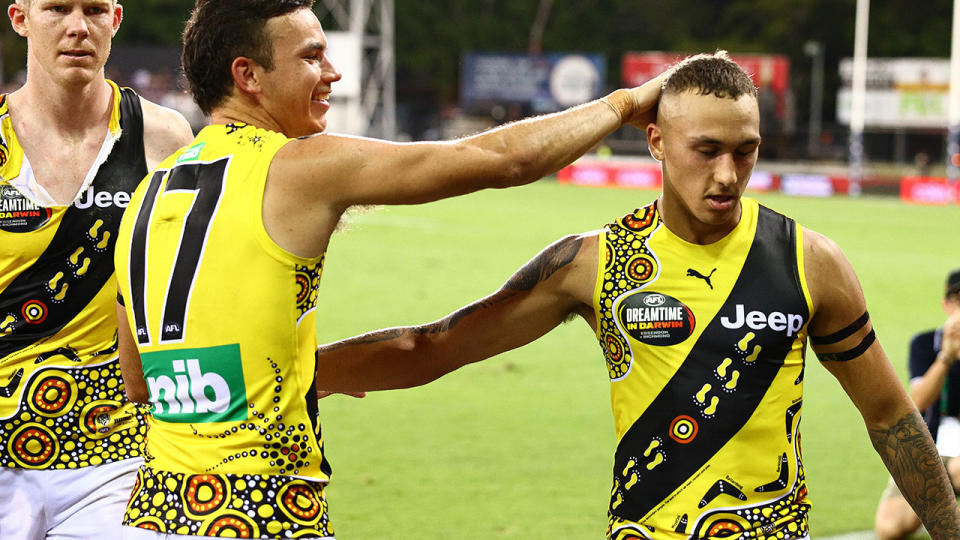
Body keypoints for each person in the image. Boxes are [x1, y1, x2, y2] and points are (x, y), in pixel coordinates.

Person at [314, 52, 960, 540]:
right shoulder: (591, 263)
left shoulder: (810, 262)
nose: (728, 174)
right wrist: (301, 374)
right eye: (705, 150)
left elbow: (891, 418)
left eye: (745, 151)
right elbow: (435, 346)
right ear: (656, 141)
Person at [111, 0, 664, 537]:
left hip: (155, 507)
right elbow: (503, 161)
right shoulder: (296, 165)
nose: (333, 72)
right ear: (248, 75)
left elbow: (138, 381)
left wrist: (289, 372)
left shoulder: (145, 197)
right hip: (257, 509)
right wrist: (622, 105)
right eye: (311, 57)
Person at [0, 0, 194, 538]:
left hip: (114, 462)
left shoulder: (164, 139)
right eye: (57, 8)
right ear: (20, 18)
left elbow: (183, 298)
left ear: (117, 19)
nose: (77, 27)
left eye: (94, 10)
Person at [875, 269, 960, 539]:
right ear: (946, 304)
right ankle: (937, 500)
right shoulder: (926, 344)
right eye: (957, 299)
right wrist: (946, 355)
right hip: (929, 448)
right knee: (890, 529)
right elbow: (920, 402)